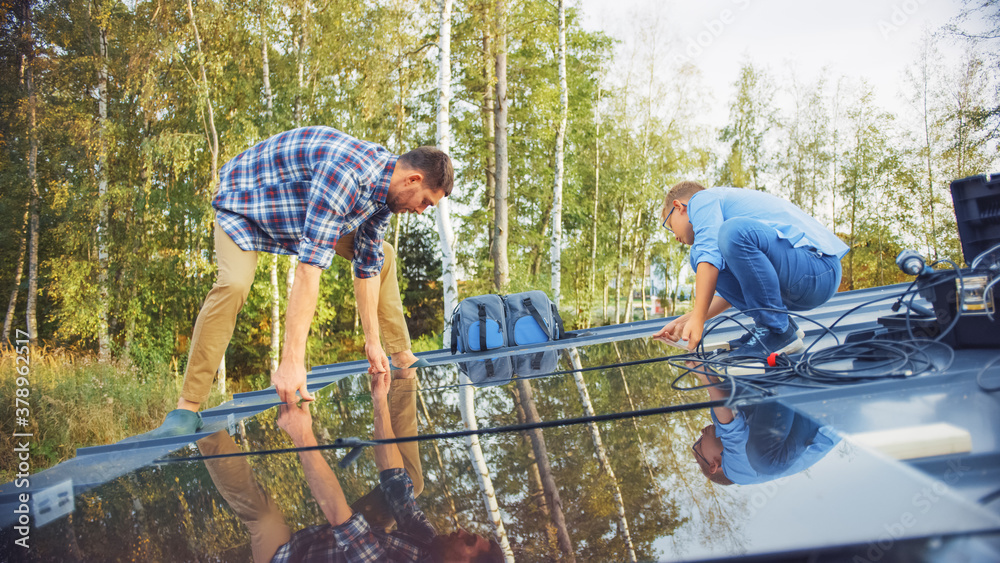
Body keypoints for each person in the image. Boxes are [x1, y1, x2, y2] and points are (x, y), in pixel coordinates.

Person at [153, 126, 452, 437]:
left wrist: (373, 344)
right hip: (244, 208)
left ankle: (401, 355)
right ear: (413, 179)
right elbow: (309, 268)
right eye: (426, 202)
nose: (420, 211)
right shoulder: (348, 174)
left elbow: (367, 266)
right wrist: (292, 363)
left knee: (382, 255)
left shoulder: (385, 195)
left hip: (296, 215)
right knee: (234, 284)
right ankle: (186, 408)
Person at [271, 372, 503, 562]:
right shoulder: (430, 544)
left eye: (469, 540)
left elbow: (342, 521)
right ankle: (404, 373)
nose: (461, 530)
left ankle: (405, 374)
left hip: (292, 555)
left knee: (262, 517)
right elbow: (397, 485)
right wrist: (380, 400)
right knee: (408, 482)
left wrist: (301, 434)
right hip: (332, 539)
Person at [653, 181, 848, 357]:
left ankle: (776, 330)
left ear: (679, 207)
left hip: (820, 268)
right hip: (805, 279)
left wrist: (698, 319)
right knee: (701, 254)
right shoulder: (722, 229)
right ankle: (780, 327)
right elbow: (739, 289)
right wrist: (686, 320)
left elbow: (709, 254)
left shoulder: (702, 199)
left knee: (729, 234)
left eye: (670, 225)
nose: (675, 236)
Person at [688, 363, 840, 485]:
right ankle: (780, 369)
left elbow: (730, 421)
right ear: (714, 465)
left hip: (803, 415)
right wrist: (707, 379)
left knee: (722, 404)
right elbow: (731, 429)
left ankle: (768, 362)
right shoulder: (736, 473)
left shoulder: (743, 449)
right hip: (824, 416)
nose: (701, 432)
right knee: (763, 460)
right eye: (699, 444)